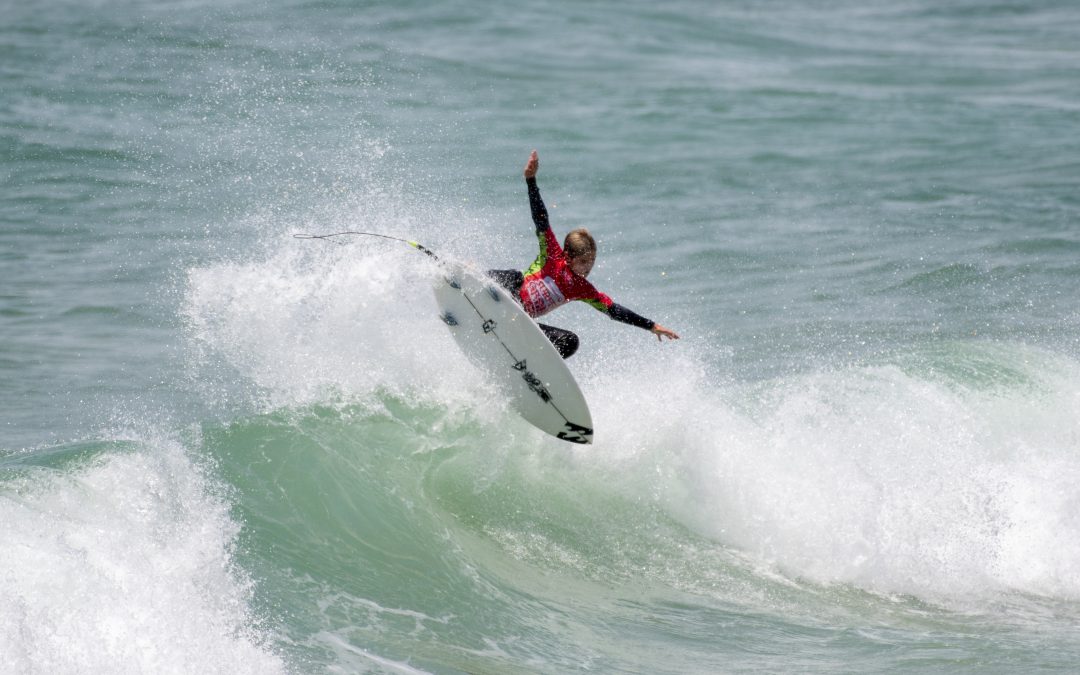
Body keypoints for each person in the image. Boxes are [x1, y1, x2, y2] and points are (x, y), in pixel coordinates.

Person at [487, 150, 680, 359]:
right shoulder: (552, 255)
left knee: (570, 341)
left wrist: (651, 326)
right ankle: (469, 279)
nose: (588, 269)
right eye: (584, 263)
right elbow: (541, 218)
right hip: (506, 299)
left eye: (592, 263)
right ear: (568, 256)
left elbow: (613, 310)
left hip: (522, 323)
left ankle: (527, 361)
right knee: (515, 276)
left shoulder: (581, 288)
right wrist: (530, 180)